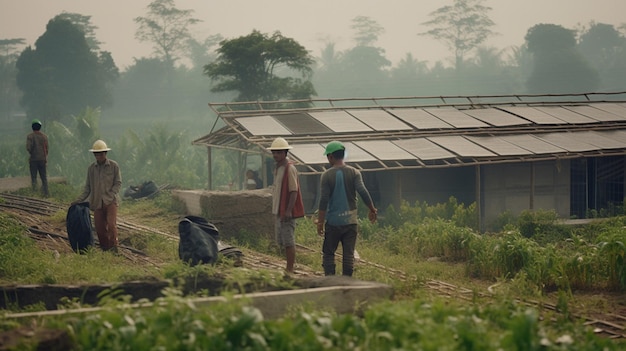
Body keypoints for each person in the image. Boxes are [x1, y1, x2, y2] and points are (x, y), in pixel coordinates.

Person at [316, 141, 377, 277]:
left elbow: (324, 200)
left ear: (331, 157)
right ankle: (347, 280)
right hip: (350, 222)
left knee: (329, 253)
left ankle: (330, 279)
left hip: (333, 223)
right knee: (348, 254)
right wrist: (372, 209)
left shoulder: (326, 176)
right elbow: (363, 191)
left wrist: (320, 222)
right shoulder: (355, 172)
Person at [71, 140, 122, 252]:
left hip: (111, 202)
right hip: (97, 203)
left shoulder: (114, 166)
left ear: (105, 153)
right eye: (96, 154)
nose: (98, 156)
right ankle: (105, 248)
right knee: (99, 228)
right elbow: (87, 188)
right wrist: (78, 200)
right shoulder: (91, 169)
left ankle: (114, 248)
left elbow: (118, 183)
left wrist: (111, 194)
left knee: (111, 225)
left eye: (101, 153)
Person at [269, 137, 304, 274]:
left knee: (289, 240)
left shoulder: (290, 168)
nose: (275, 155)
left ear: (285, 153)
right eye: (274, 152)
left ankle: (290, 268)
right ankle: (288, 267)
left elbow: (293, 190)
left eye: (278, 152)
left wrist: (289, 210)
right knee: (283, 240)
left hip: (286, 211)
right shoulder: (278, 168)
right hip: (279, 210)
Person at [26, 119, 49, 196]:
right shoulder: (44, 136)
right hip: (43, 159)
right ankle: (46, 193)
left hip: (34, 159)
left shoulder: (30, 136)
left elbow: (28, 148)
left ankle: (35, 192)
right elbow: (47, 148)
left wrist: (32, 153)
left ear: (32, 127)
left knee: (34, 177)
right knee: (44, 177)